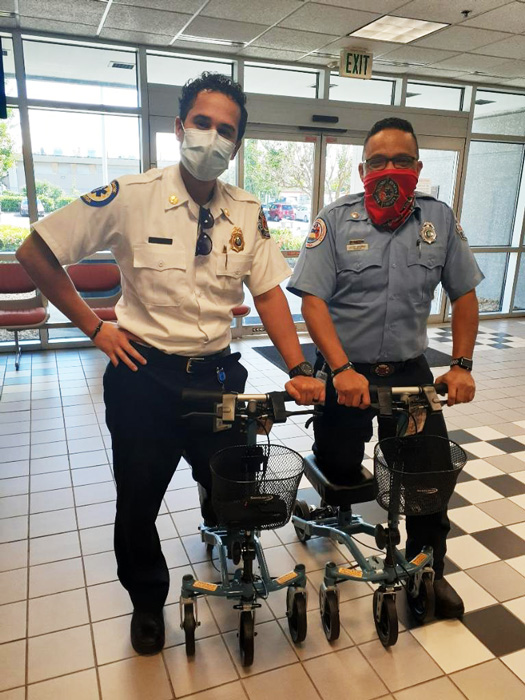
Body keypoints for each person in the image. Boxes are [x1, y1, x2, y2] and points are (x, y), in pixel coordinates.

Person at [16, 72, 324, 655]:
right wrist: (94, 327)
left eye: (226, 131)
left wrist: (297, 367)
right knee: (138, 501)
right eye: (202, 123)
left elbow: (266, 294)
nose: (212, 138)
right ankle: (147, 603)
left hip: (215, 376)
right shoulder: (132, 196)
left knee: (232, 484)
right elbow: (36, 249)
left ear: (237, 146)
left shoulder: (246, 212)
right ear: (179, 127)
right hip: (143, 379)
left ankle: (228, 547)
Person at [288, 117, 483, 619]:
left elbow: (463, 293)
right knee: (337, 462)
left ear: (418, 167)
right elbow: (312, 302)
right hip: (344, 370)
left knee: (429, 472)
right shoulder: (334, 220)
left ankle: (429, 570)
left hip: (409, 372)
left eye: (401, 160)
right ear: (362, 169)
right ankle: (335, 512)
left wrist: (461, 364)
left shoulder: (438, 220)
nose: (389, 169)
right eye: (378, 162)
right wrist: (340, 368)